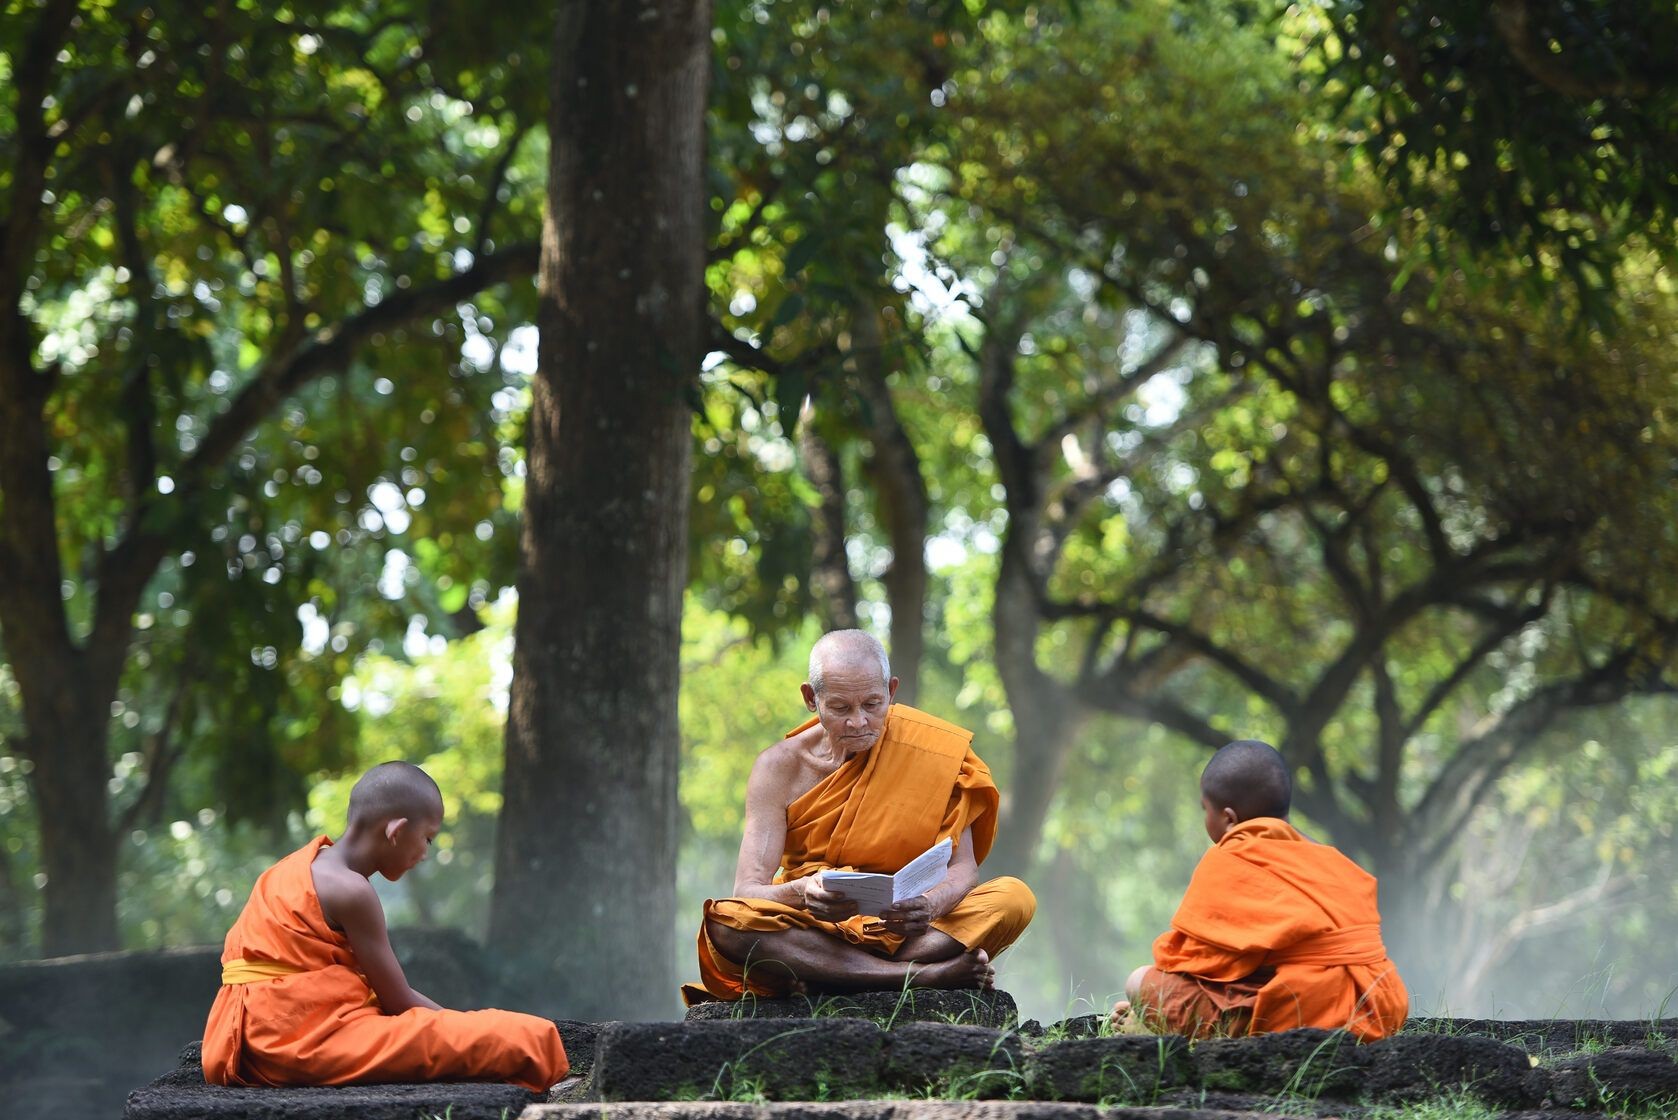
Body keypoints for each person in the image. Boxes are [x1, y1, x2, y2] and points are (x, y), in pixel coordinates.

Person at [686, 629, 1036, 1001]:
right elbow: (748, 890)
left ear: (892, 691)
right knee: (726, 923)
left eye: (872, 704)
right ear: (810, 698)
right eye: (840, 708)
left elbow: (963, 868)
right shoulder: (779, 768)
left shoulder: (934, 753)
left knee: (1014, 898)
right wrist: (803, 892)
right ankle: (915, 977)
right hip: (818, 926)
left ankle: (834, 974)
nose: (859, 722)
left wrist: (930, 904)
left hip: (908, 929)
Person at [202, 761, 567, 1091]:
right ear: (396, 830)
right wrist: (461, 1027)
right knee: (524, 1037)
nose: (424, 854)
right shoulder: (352, 891)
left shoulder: (290, 868)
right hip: (297, 1041)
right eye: (427, 838)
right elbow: (399, 1000)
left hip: (241, 1036)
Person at [1109, 739, 1408, 1041]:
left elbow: (1192, 964)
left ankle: (1158, 1032)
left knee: (1139, 981)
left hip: (1300, 1011)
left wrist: (1157, 1006)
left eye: (1205, 810)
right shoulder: (1334, 859)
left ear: (1228, 819)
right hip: (1378, 1006)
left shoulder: (1230, 858)